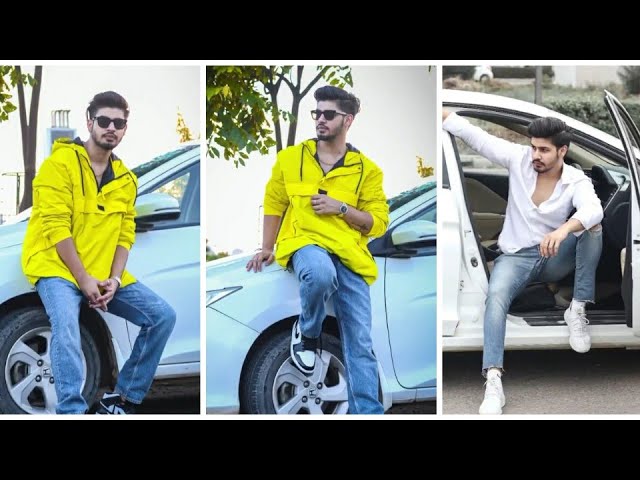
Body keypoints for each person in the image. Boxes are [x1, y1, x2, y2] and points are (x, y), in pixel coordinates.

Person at [21, 91, 176, 415]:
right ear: (89, 121)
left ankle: (121, 401)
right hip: (56, 267)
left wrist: (115, 279)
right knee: (65, 324)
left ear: (124, 128)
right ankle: (71, 410)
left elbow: (125, 235)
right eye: (104, 120)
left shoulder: (126, 181)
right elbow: (56, 228)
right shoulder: (58, 165)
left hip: (104, 273)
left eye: (119, 123)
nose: (111, 128)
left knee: (162, 316)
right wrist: (83, 278)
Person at [442, 109, 603, 415]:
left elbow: (594, 210)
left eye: (544, 150)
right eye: (533, 147)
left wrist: (564, 228)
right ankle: (493, 380)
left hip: (553, 255)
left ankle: (578, 307)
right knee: (496, 298)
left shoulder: (575, 179)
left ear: (562, 151)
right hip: (514, 256)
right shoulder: (519, 159)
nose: (536, 155)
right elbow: (477, 137)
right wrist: (442, 111)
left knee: (592, 228)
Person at [246, 86, 389, 414]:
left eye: (328, 114)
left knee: (361, 344)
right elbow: (274, 202)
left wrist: (341, 209)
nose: (320, 120)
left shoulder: (367, 170)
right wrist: (266, 247)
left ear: (347, 120)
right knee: (320, 274)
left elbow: (377, 223)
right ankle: (307, 334)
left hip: (349, 255)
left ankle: (367, 412)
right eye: (317, 113)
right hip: (304, 243)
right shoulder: (291, 159)